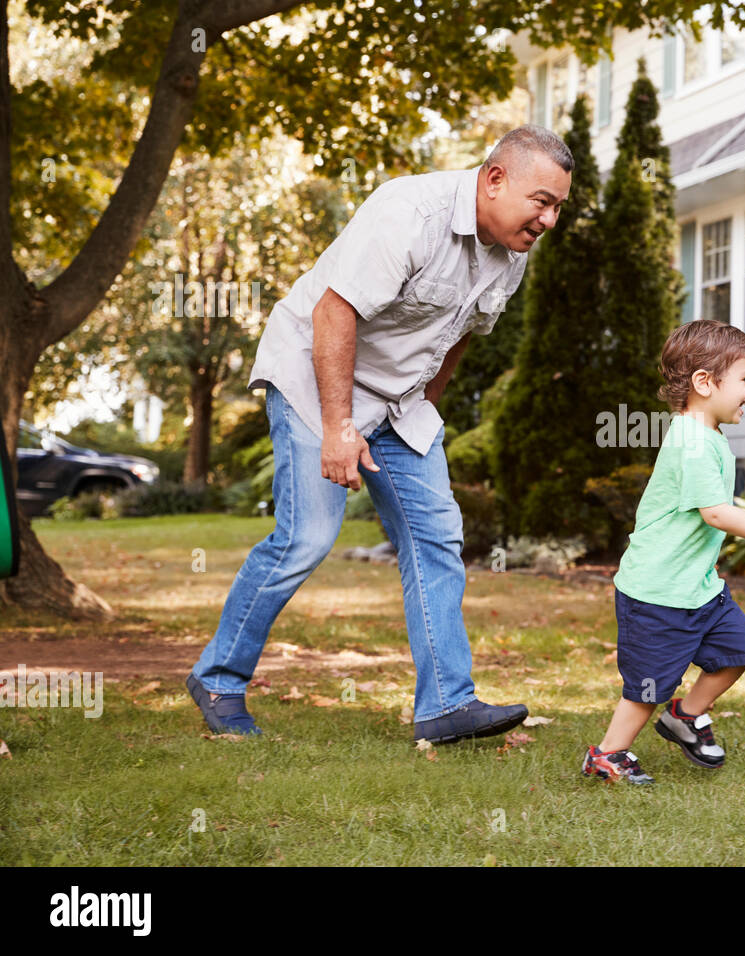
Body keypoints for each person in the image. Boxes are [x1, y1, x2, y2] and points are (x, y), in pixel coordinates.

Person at [186, 125, 572, 745]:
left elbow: (460, 337)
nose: (549, 220)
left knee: (437, 535)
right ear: (495, 179)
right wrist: (341, 427)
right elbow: (332, 313)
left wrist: (419, 411)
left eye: (558, 207)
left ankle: (447, 704)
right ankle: (219, 680)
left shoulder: (512, 256)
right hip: (317, 376)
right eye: (542, 201)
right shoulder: (408, 213)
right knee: (305, 538)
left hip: (398, 400)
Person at [582, 319, 745, 784]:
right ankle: (608, 754)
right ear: (705, 383)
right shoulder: (692, 441)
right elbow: (716, 513)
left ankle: (685, 716)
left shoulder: (708, 436)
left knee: (738, 649)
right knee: (648, 686)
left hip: (697, 589)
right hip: (657, 591)